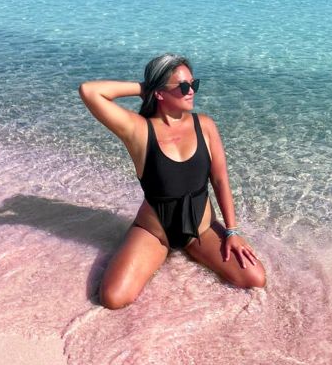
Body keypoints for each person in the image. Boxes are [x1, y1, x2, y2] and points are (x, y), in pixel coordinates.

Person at [78, 54, 266, 308]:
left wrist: (232, 232)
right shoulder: (139, 130)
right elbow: (90, 91)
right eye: (183, 86)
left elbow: (221, 180)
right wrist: (145, 87)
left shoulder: (205, 125)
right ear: (159, 94)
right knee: (113, 299)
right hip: (156, 232)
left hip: (201, 228)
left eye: (193, 84)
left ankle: (192, 249)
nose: (191, 91)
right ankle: (142, 250)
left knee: (255, 278)